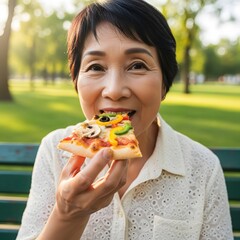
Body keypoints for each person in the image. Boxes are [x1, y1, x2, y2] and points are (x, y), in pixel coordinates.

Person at [17, 0, 233, 239]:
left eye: (137, 65)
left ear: (164, 82)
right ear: (76, 82)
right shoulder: (55, 151)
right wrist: (68, 214)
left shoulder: (204, 168)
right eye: (96, 67)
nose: (114, 89)